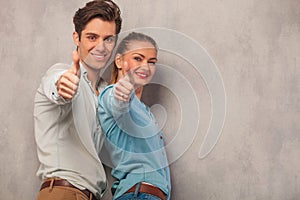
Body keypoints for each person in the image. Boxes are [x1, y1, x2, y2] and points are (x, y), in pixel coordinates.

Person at [34, 1, 122, 200]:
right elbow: (58, 87)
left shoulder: (104, 92)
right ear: (77, 37)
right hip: (63, 192)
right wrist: (64, 88)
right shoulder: (60, 73)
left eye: (108, 39)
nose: (101, 47)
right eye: (92, 37)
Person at [98, 32, 171, 200]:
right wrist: (123, 88)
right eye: (138, 58)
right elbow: (118, 103)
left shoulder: (145, 112)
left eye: (151, 62)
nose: (145, 66)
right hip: (138, 194)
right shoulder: (111, 94)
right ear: (119, 61)